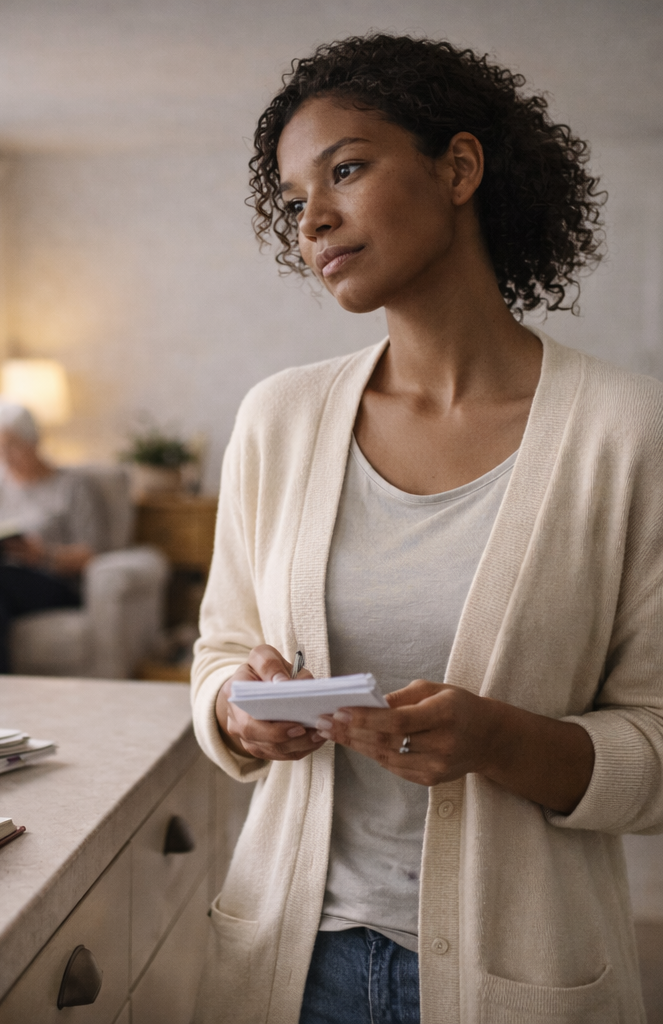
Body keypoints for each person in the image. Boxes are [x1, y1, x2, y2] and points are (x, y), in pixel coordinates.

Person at [191, 34, 661, 1024]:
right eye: (290, 201)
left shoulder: (629, 433)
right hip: (291, 958)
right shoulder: (277, 419)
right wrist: (239, 707)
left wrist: (498, 737)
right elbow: (220, 652)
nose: (312, 217)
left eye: (346, 169)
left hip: (520, 979)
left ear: (458, 168)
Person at [0, 399, 108, 673]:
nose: (4, 456)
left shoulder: (71, 486)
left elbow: (92, 552)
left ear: (33, 441)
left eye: (12, 446)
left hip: (48, 581)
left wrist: (45, 554)